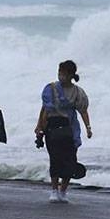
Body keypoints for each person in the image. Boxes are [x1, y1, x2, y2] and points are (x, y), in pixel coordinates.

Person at [34, 60, 92, 203]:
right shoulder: (51, 88)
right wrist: (39, 126)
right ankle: (54, 190)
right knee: (55, 158)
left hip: (70, 127)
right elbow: (45, 109)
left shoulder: (78, 92)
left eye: (64, 73)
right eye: (60, 72)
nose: (61, 75)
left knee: (70, 160)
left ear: (71, 75)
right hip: (53, 126)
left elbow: (83, 110)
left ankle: (63, 191)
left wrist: (88, 127)